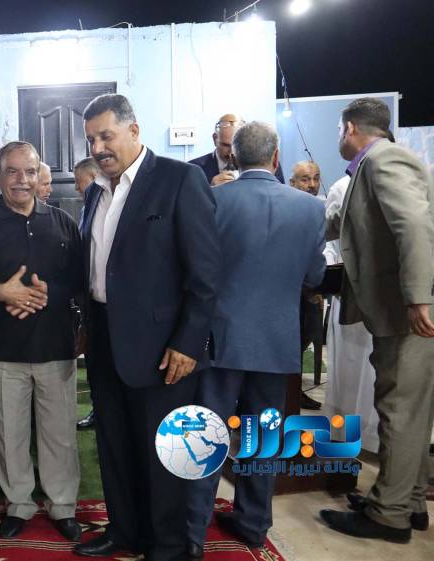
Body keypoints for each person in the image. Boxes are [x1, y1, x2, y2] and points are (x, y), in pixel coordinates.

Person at [74, 94, 220, 560]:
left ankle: (169, 547)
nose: (98, 147)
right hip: (104, 339)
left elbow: (206, 274)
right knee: (114, 446)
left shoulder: (179, 180)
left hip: (163, 348)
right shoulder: (96, 191)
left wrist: (188, 343)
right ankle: (125, 532)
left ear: (134, 131)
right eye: (91, 139)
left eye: (106, 136)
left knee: (164, 453)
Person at [185, 122, 325, 560]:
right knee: (262, 438)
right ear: (276, 157)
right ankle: (252, 524)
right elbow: (314, 276)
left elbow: (196, 269)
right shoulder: (310, 208)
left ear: (234, 157)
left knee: (207, 437)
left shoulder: (214, 199)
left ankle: (192, 532)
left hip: (220, 339)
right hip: (276, 340)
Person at [320, 98, 434, 543]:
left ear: (350, 128)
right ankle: (409, 501)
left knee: (399, 410)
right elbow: (343, 224)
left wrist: (419, 297)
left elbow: (414, 225)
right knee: (410, 410)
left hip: (408, 313)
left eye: (338, 130)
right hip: (401, 310)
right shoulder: (369, 167)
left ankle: (389, 516)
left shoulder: (384, 159)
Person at [0, 141, 84, 542]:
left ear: (39, 175)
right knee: (8, 434)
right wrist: (2, 293)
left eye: (29, 171)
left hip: (56, 347)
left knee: (59, 434)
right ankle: (19, 504)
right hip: (2, 351)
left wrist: (47, 294)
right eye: (11, 171)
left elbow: (80, 280)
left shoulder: (63, 223)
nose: (21, 180)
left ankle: (62, 505)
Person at [322, 175, 381, 453]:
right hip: (351, 290)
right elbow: (329, 241)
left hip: (386, 295)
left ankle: (375, 434)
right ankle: (346, 431)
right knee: (351, 364)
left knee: (378, 370)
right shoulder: (342, 187)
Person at [290, 160, 326, 410]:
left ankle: (295, 391)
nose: (312, 184)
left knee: (307, 338)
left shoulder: (320, 207)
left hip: (313, 290)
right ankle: (289, 394)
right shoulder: (287, 207)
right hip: (290, 292)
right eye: (305, 179)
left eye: (315, 178)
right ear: (292, 182)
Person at [72, 156, 101, 431]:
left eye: (78, 182)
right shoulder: (86, 209)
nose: (75, 188)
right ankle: (98, 410)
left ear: (92, 179)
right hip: (90, 305)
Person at [188, 114, 285, 186]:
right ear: (214, 139)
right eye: (226, 145)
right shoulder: (194, 168)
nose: (231, 152)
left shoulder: (267, 164)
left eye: (237, 146)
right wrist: (209, 190)